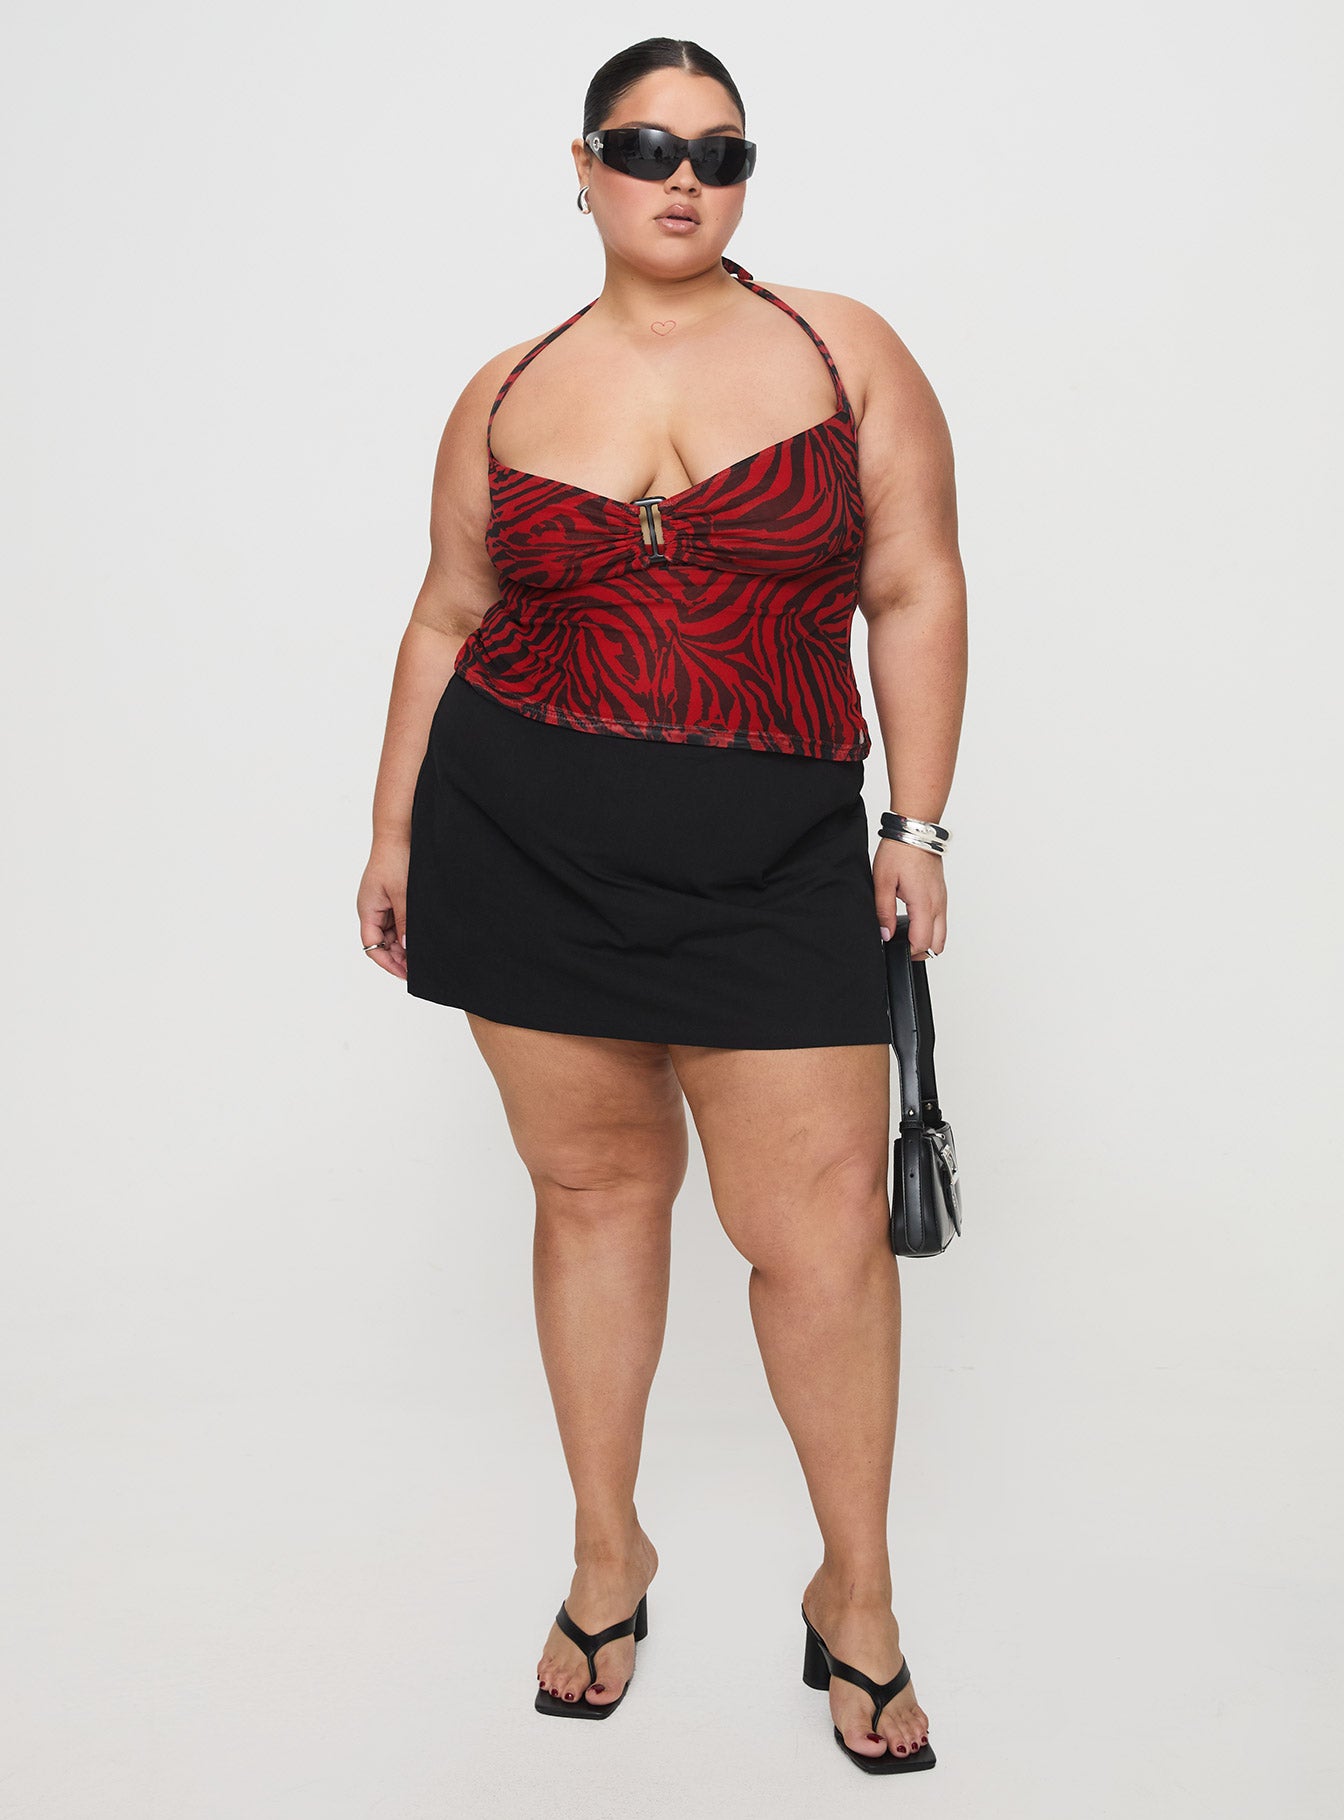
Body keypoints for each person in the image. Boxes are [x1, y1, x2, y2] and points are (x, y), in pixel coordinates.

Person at [357, 36, 966, 1776]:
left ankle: (857, 1592)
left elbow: (916, 583)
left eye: (719, 150)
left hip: (775, 862)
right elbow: (446, 613)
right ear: (583, 168)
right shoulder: (505, 388)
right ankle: (605, 1554)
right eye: (643, 147)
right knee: (593, 1196)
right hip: (520, 852)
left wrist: (918, 825)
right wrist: (393, 834)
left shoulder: (844, 353)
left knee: (818, 1235)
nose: (682, 177)